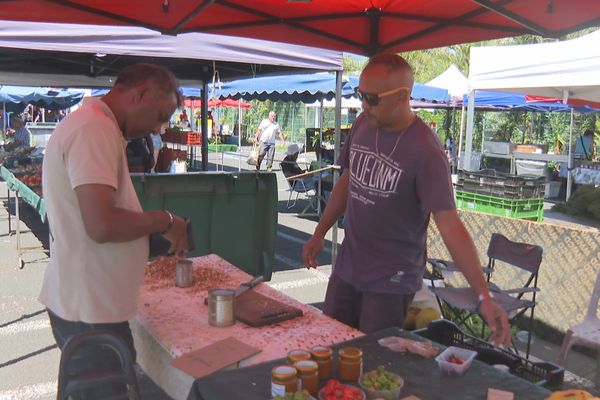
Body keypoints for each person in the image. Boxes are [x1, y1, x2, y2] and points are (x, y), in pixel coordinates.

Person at [302, 54, 510, 347]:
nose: (363, 105)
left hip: (391, 280)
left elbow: (450, 226)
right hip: (349, 265)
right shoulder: (363, 124)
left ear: (402, 96)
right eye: (360, 95)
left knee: (372, 359)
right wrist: (319, 232)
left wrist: (483, 295)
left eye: (372, 98)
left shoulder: (426, 151)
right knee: (331, 345)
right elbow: (348, 181)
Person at [40, 64, 190, 399]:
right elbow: (102, 224)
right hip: (89, 311)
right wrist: (164, 220)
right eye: (160, 115)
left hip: (89, 304)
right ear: (140, 95)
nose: (159, 128)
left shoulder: (96, 125)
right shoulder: (94, 129)